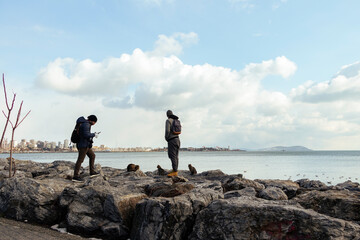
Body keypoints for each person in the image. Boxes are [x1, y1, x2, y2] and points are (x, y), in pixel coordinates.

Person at [73, 115, 100, 181]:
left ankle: (92, 172)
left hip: (85, 145)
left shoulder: (84, 123)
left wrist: (93, 134)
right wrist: (94, 134)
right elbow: (86, 135)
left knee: (92, 156)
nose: (94, 124)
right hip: (83, 145)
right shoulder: (86, 124)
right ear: (92, 121)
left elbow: (85, 134)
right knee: (80, 160)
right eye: (95, 122)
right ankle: (75, 176)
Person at [165, 110, 181, 177]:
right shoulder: (176, 120)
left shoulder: (168, 121)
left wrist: (166, 138)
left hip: (172, 140)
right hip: (177, 139)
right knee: (176, 156)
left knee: (172, 156)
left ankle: (175, 171)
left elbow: (167, 131)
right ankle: (175, 169)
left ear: (167, 115)